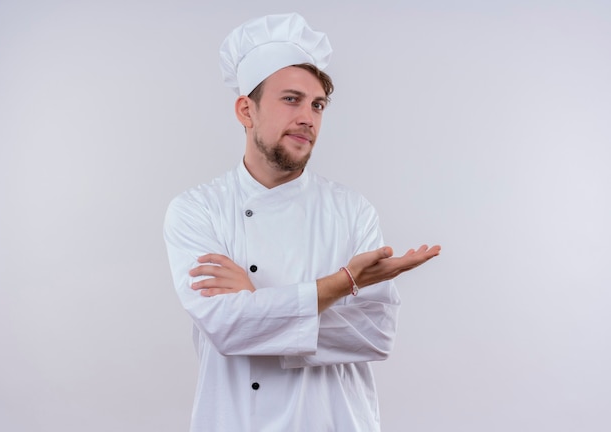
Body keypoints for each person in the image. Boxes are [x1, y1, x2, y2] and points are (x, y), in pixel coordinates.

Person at [164, 13, 441, 432]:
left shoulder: (352, 210)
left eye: (318, 105)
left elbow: (376, 335)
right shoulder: (197, 209)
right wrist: (341, 285)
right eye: (291, 99)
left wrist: (258, 302)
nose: (308, 118)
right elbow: (227, 327)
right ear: (246, 110)